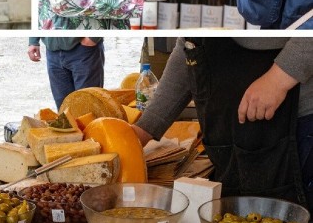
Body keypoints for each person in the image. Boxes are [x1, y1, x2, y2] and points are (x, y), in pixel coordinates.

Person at [132, 38, 313, 213]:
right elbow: (189, 47)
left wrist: (278, 79)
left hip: (295, 128)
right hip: (227, 136)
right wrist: (145, 128)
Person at [28, 37, 105, 108]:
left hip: (83, 50)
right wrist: (33, 40)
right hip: (52, 51)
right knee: (63, 110)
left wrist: (93, 38)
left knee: (87, 107)